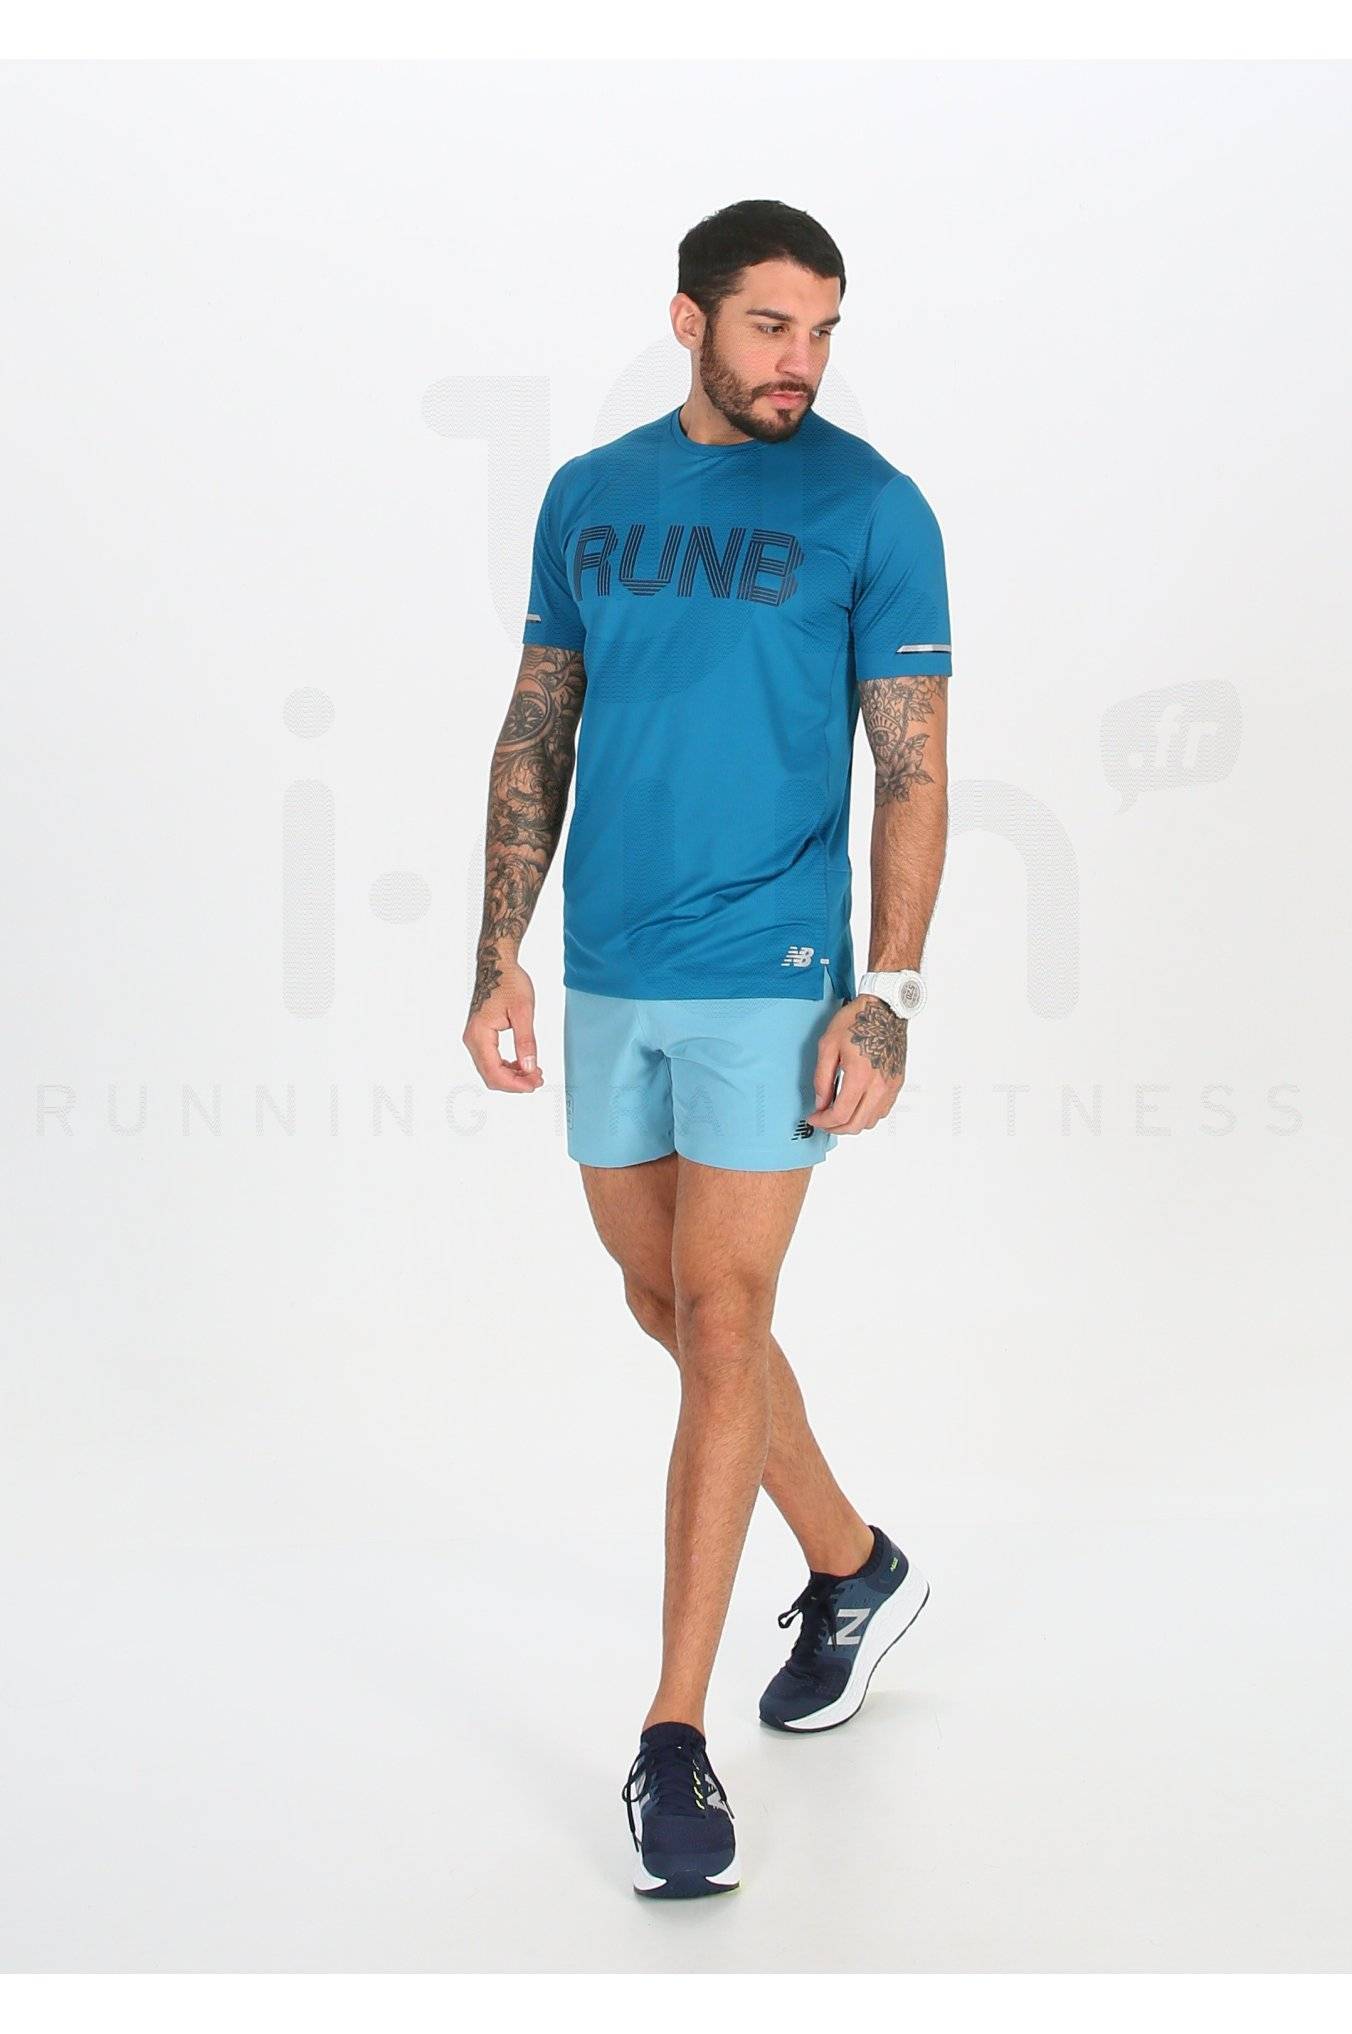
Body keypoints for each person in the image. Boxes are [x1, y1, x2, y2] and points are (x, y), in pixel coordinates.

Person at [463, 197, 951, 1900]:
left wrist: (889, 989)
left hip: (776, 968)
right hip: (612, 963)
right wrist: (498, 950)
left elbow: (913, 765)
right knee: (662, 1297)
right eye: (769, 326)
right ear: (690, 321)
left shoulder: (873, 506)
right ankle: (856, 1561)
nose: (799, 361)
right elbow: (540, 723)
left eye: (823, 330)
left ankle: (671, 1735)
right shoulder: (588, 495)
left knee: (725, 1310)